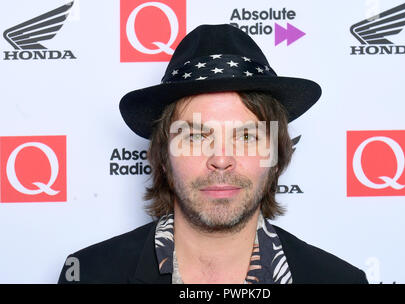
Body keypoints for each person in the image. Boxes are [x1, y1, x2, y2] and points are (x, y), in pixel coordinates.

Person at [58, 24, 368, 284]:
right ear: (164, 156)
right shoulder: (89, 275)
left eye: (246, 136)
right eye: (195, 136)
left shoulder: (338, 280)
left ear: (275, 155)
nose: (221, 158)